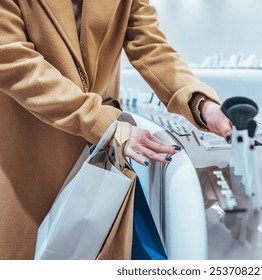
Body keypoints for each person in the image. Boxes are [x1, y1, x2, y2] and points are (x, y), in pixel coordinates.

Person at [0, 0, 232, 259]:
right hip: (30, 148)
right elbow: (11, 58)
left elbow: (150, 46)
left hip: (98, 151)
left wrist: (200, 103)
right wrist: (102, 121)